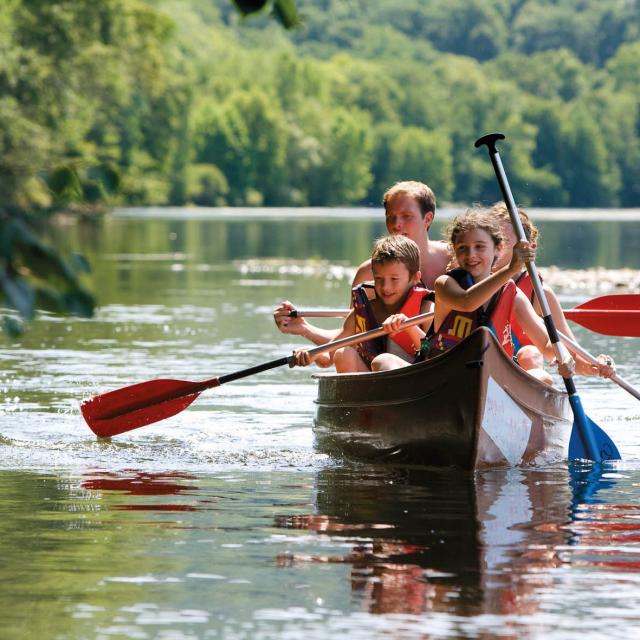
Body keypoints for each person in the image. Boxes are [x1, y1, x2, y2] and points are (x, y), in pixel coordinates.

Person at [273, 181, 450, 345]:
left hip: (442, 352)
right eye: (391, 216)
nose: (396, 224)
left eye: (406, 216)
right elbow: (349, 339)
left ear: (427, 219)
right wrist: (304, 329)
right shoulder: (368, 272)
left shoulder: (456, 259)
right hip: (392, 362)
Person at [425, 208, 575, 384]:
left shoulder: (513, 294)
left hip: (493, 379)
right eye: (462, 248)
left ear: (498, 248)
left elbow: (545, 345)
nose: (471, 254)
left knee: (543, 378)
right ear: (454, 251)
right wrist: (511, 269)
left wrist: (563, 354)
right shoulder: (445, 283)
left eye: (479, 247)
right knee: (386, 361)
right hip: (448, 375)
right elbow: (467, 303)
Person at [490, 202, 616, 380]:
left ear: (528, 249)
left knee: (531, 352)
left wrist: (598, 366)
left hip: (523, 373)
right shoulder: (472, 282)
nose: (497, 247)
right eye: (492, 240)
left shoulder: (541, 294)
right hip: (480, 364)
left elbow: (574, 359)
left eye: (504, 241)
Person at [291, 235, 433, 373]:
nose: (385, 287)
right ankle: (360, 396)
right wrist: (311, 355)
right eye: (379, 278)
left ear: (415, 278)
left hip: (414, 378)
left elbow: (431, 350)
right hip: (373, 384)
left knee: (383, 361)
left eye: (394, 279)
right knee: (343, 353)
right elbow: (329, 357)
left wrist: (411, 327)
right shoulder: (361, 314)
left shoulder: (426, 308)